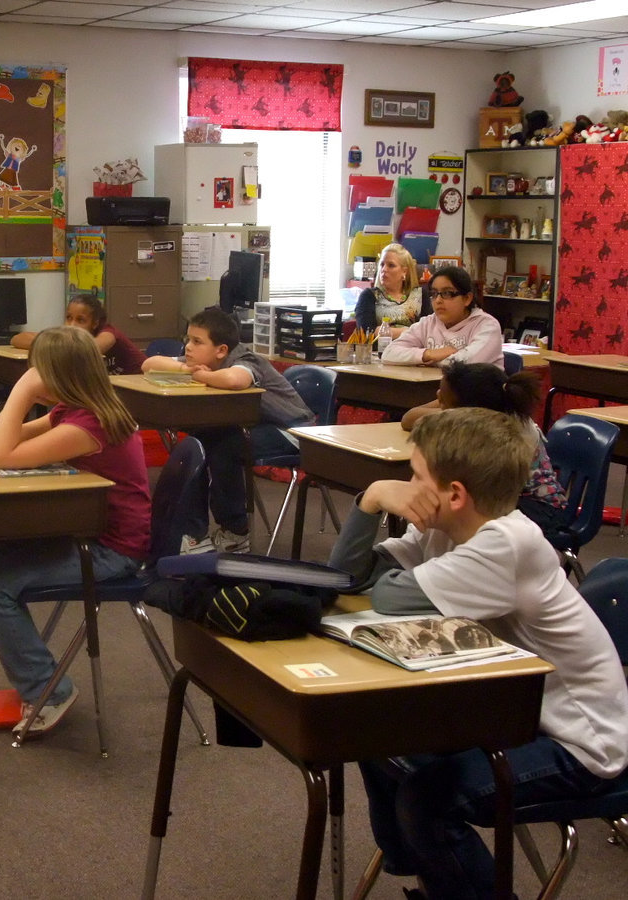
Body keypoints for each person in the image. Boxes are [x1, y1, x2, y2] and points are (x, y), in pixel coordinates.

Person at [328, 408, 628, 900]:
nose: (407, 486)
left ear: (454, 494)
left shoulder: (505, 543)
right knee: (375, 737)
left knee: (428, 801)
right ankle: (428, 871)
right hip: (513, 713)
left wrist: (384, 497)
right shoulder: (443, 527)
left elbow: (386, 597)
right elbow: (348, 577)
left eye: (415, 476)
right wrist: (370, 500)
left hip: (580, 742)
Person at [0, 326, 151, 736]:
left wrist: (21, 391)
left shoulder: (88, 425)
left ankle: (49, 691)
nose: (34, 375)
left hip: (111, 551)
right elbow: (3, 440)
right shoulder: (73, 409)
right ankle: (42, 679)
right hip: (84, 530)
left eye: (39, 370)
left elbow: (1, 454)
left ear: (60, 375)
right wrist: (31, 397)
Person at [141, 306, 313, 553]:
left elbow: (235, 380)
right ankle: (193, 534)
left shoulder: (245, 360)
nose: (188, 347)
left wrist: (199, 376)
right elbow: (149, 363)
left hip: (292, 432)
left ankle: (236, 531)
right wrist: (186, 370)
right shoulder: (202, 361)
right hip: (250, 426)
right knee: (197, 444)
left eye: (196, 341)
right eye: (187, 339)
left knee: (224, 448)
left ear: (221, 350)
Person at [401, 361, 567, 541]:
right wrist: (445, 407)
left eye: (443, 400)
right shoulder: (482, 407)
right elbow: (409, 418)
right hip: (504, 498)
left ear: (470, 411)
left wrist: (447, 413)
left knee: (454, 508)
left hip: (538, 509)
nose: (438, 396)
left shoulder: (501, 432)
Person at [380, 266, 503, 368]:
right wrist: (428, 354)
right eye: (434, 294)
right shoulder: (428, 323)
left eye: (447, 293)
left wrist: (420, 361)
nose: (438, 300)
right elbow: (388, 353)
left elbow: (463, 364)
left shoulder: (487, 325)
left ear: (467, 298)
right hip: (435, 389)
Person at [11, 293, 146, 375]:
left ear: (95, 323)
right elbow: (16, 339)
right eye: (69, 318)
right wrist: (47, 341)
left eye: (80, 320)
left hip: (140, 386)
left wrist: (50, 343)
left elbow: (87, 349)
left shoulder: (109, 333)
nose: (72, 325)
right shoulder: (68, 336)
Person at [353, 242, 430, 335]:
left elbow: (428, 330)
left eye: (391, 265)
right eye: (382, 264)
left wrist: (384, 331)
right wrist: (411, 331)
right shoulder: (369, 296)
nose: (384, 269)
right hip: (381, 348)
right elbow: (366, 331)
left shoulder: (420, 295)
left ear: (404, 271)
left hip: (414, 348)